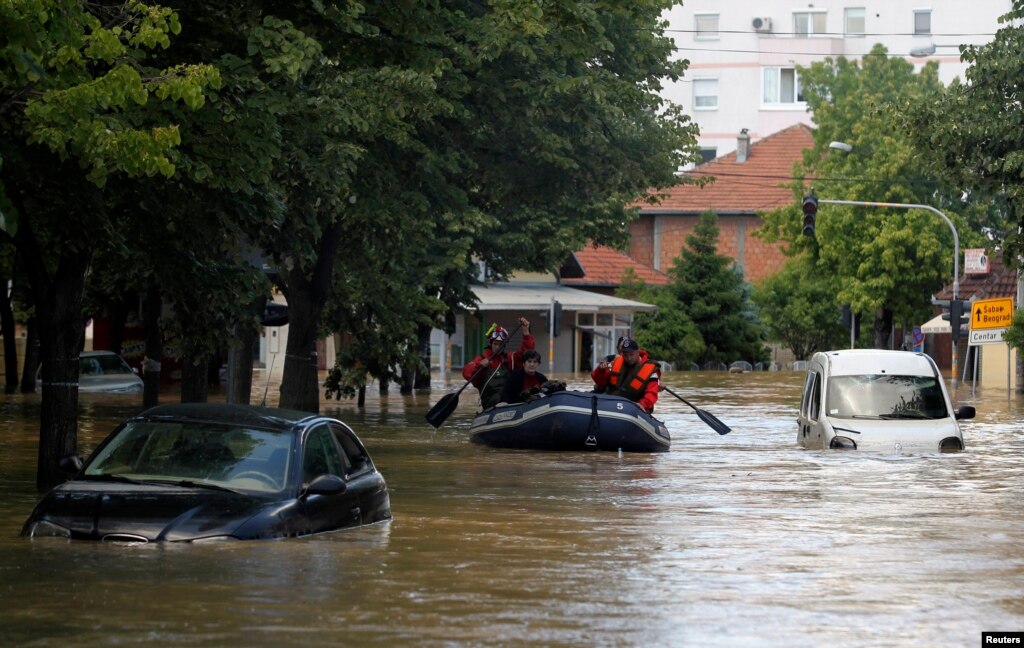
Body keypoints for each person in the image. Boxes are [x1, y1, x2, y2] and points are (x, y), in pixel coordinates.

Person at [462, 317, 534, 409]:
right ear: (490, 343)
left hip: (509, 398)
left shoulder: (510, 359)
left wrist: (526, 331)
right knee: (502, 398)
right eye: (495, 344)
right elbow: (466, 373)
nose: (498, 347)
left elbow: (527, 354)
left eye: (501, 344)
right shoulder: (481, 359)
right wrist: (479, 365)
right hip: (491, 402)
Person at [592, 337, 659, 413]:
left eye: (631, 354)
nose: (629, 358)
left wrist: (643, 404)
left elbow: (652, 393)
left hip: (633, 406)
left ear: (638, 352)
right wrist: (601, 371)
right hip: (612, 402)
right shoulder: (616, 362)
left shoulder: (651, 370)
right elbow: (601, 383)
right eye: (626, 355)